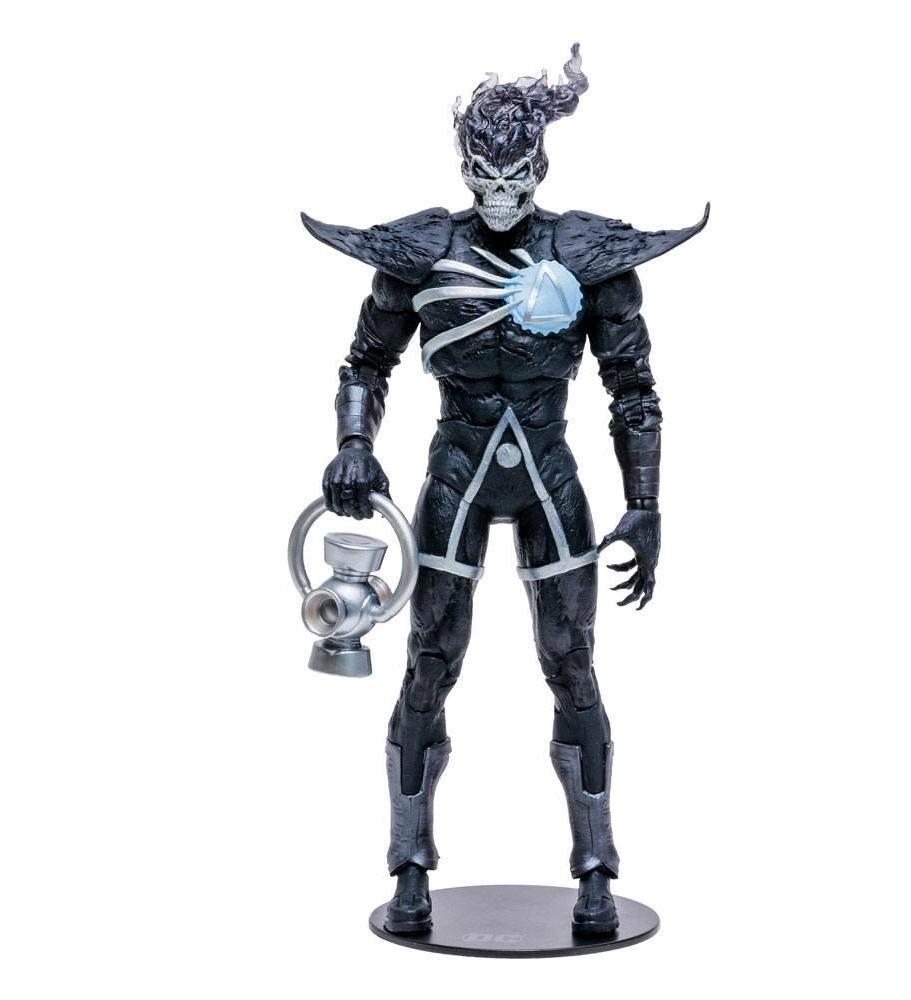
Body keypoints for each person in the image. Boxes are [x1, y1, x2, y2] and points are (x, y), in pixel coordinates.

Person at [302, 43, 708, 935]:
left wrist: (646, 503)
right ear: (464, 169)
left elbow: (633, 389)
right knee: (428, 662)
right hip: (456, 467)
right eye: (483, 178)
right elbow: (365, 362)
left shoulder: (583, 252)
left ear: (538, 168)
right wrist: (353, 445)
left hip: (550, 473)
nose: (497, 195)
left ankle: (596, 868)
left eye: (512, 177)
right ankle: (409, 865)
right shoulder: (426, 251)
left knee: (572, 663)